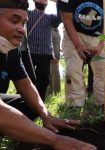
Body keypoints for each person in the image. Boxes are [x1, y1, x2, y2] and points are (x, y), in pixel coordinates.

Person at [0, 0, 96, 149]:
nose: (21, 29)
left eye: (24, 23)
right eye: (14, 21)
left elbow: (25, 84)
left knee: (32, 105)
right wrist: (54, 140)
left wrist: (46, 114)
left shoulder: (11, 50)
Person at [58, 0, 105, 108]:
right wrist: (77, 45)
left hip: (99, 35)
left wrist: (101, 45)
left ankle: (104, 103)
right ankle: (74, 105)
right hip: (74, 33)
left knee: (102, 70)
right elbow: (66, 17)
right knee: (73, 70)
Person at [27, 0, 62, 100]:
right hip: (30, 54)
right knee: (28, 79)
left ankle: (40, 103)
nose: (42, 1)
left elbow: (59, 18)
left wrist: (58, 2)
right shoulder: (28, 14)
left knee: (43, 81)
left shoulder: (50, 17)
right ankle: (24, 101)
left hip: (45, 54)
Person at [48, 27, 61, 94]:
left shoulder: (57, 30)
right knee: (54, 74)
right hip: (52, 56)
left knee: (53, 74)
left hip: (57, 56)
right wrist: (51, 55)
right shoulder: (49, 30)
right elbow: (48, 43)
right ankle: (56, 92)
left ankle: (54, 92)